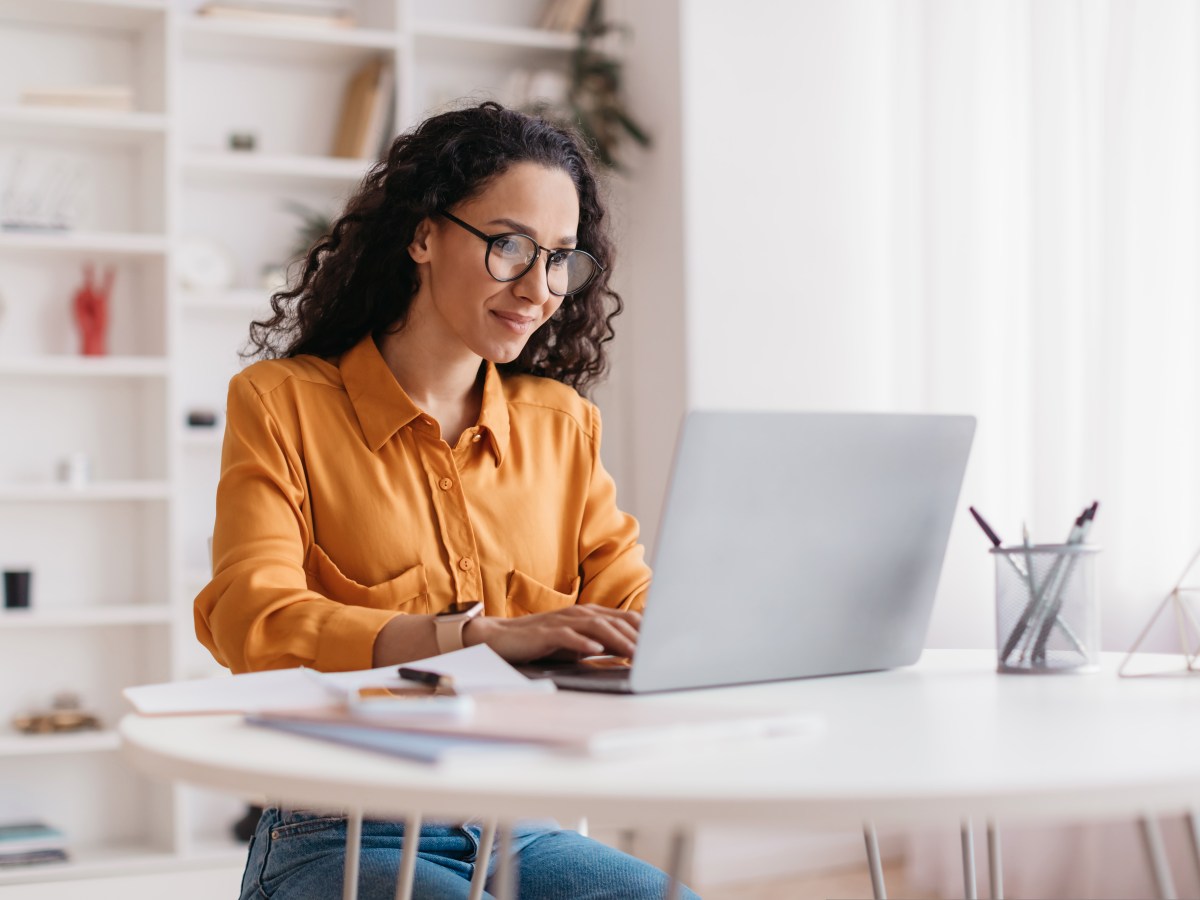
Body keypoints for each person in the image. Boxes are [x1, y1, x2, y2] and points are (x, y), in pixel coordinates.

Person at [194, 101, 700, 900]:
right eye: (510, 246)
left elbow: (631, 608)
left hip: (522, 825)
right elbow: (249, 617)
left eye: (561, 258)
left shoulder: (561, 427)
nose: (539, 288)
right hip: (337, 829)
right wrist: (474, 636)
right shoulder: (281, 403)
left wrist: (710, 628)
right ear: (423, 235)